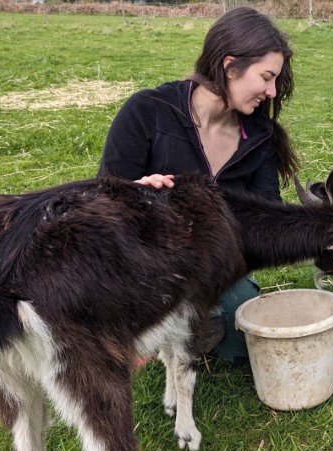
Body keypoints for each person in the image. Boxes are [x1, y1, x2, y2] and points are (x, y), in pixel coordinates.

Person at [99, 6, 298, 365]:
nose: (271, 92)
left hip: (217, 269)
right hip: (151, 267)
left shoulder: (259, 137)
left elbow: (268, 223)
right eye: (266, 77)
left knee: (242, 348)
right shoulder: (147, 112)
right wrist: (135, 193)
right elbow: (100, 204)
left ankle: (195, 322)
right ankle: (150, 322)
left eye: (274, 81)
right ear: (229, 65)